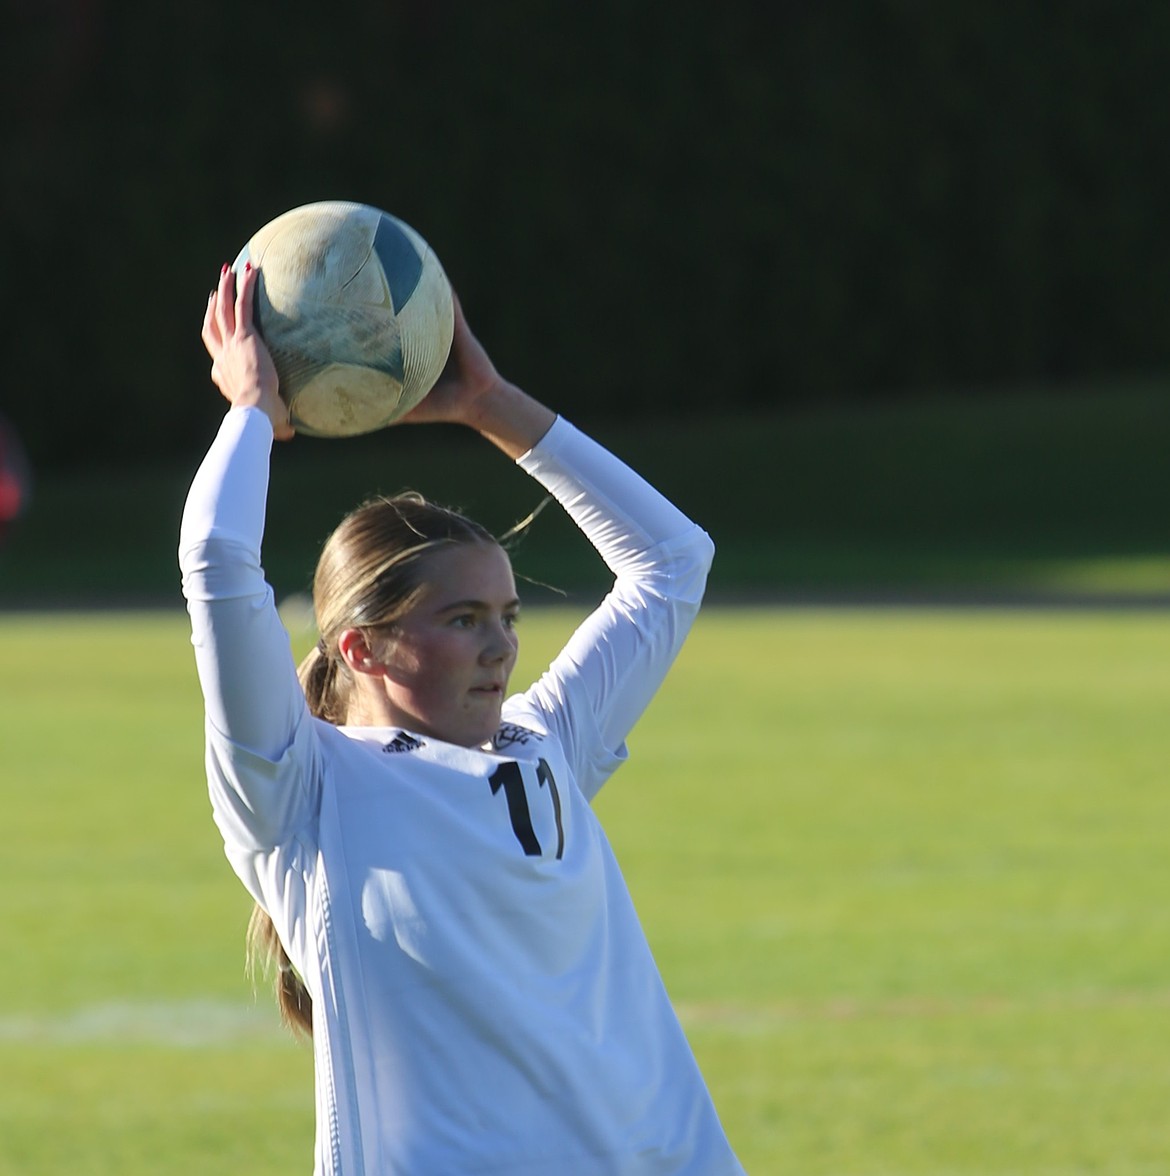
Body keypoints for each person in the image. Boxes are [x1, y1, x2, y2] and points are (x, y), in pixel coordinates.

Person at [181, 261, 745, 1175]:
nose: (502, 647)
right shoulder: (300, 790)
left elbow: (673, 561)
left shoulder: (548, 740)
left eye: (508, 617)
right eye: (463, 619)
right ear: (361, 647)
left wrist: (494, 406)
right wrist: (249, 413)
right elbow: (214, 558)